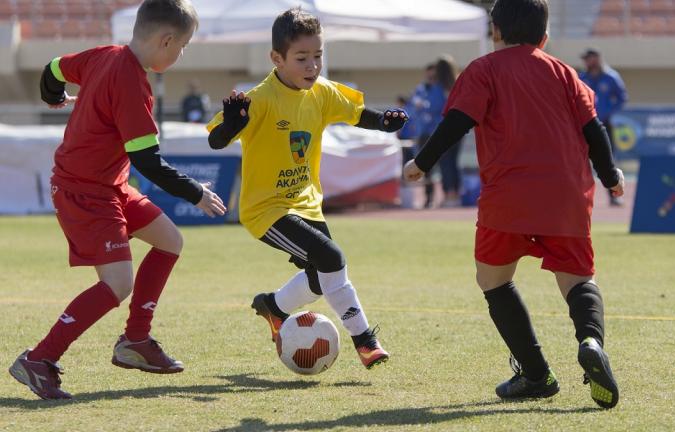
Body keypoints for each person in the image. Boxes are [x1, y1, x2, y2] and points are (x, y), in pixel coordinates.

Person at [404, 0, 624, 409]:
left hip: (507, 199)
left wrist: (422, 163)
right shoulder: (564, 72)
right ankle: (591, 340)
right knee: (578, 280)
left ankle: (536, 374)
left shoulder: (484, 69)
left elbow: (456, 122)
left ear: (495, 31)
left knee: (494, 281)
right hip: (567, 198)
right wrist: (611, 176)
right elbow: (594, 130)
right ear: (544, 36)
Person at [8, 0, 226, 400]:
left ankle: (135, 342)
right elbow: (150, 163)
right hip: (83, 192)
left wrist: (52, 95)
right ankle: (39, 359)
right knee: (117, 283)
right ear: (166, 40)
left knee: (169, 241)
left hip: (109, 185)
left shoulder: (103, 55)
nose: (182, 53)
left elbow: (53, 69)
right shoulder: (132, 84)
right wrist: (196, 192)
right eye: (184, 46)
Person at [206, 8, 407, 369]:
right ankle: (365, 340)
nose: (312, 65)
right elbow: (217, 141)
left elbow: (358, 113)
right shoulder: (261, 98)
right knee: (332, 259)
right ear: (276, 59)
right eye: (301, 58)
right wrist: (232, 125)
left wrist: (384, 122)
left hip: (307, 203)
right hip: (266, 210)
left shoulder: (323, 92)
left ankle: (274, 307)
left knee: (320, 275)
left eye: (318, 56)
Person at [579, 48, 628, 206]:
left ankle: (614, 195)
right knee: (579, 160)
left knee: (608, 159)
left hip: (603, 124)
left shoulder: (611, 77)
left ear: (597, 59)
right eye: (585, 59)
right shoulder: (582, 77)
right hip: (584, 124)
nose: (587, 62)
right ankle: (579, 196)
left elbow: (622, 97)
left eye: (589, 58)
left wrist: (609, 113)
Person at [433, 56, 462, 207]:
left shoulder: (438, 87)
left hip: (442, 128)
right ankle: (456, 193)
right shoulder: (458, 83)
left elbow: (435, 107)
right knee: (454, 162)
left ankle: (448, 194)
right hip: (458, 128)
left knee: (445, 162)